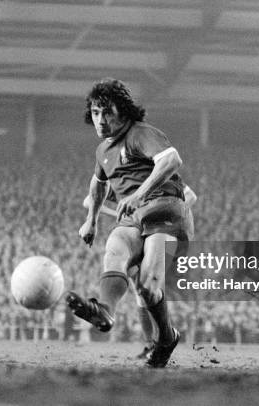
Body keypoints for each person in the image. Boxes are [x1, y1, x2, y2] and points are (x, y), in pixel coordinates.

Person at [66, 78, 194, 368]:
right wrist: (91, 221)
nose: (101, 120)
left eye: (107, 112)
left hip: (166, 212)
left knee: (149, 286)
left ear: (122, 112)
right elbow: (97, 186)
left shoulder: (140, 134)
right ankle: (105, 310)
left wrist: (139, 193)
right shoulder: (103, 151)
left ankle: (166, 337)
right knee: (115, 247)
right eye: (96, 113)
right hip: (134, 218)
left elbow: (172, 160)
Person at [82, 185, 197, 359]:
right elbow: (89, 200)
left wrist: (159, 212)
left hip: (163, 228)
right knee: (140, 290)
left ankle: (161, 339)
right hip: (135, 230)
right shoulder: (121, 181)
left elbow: (190, 196)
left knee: (149, 286)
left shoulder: (161, 179)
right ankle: (152, 343)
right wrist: (122, 214)